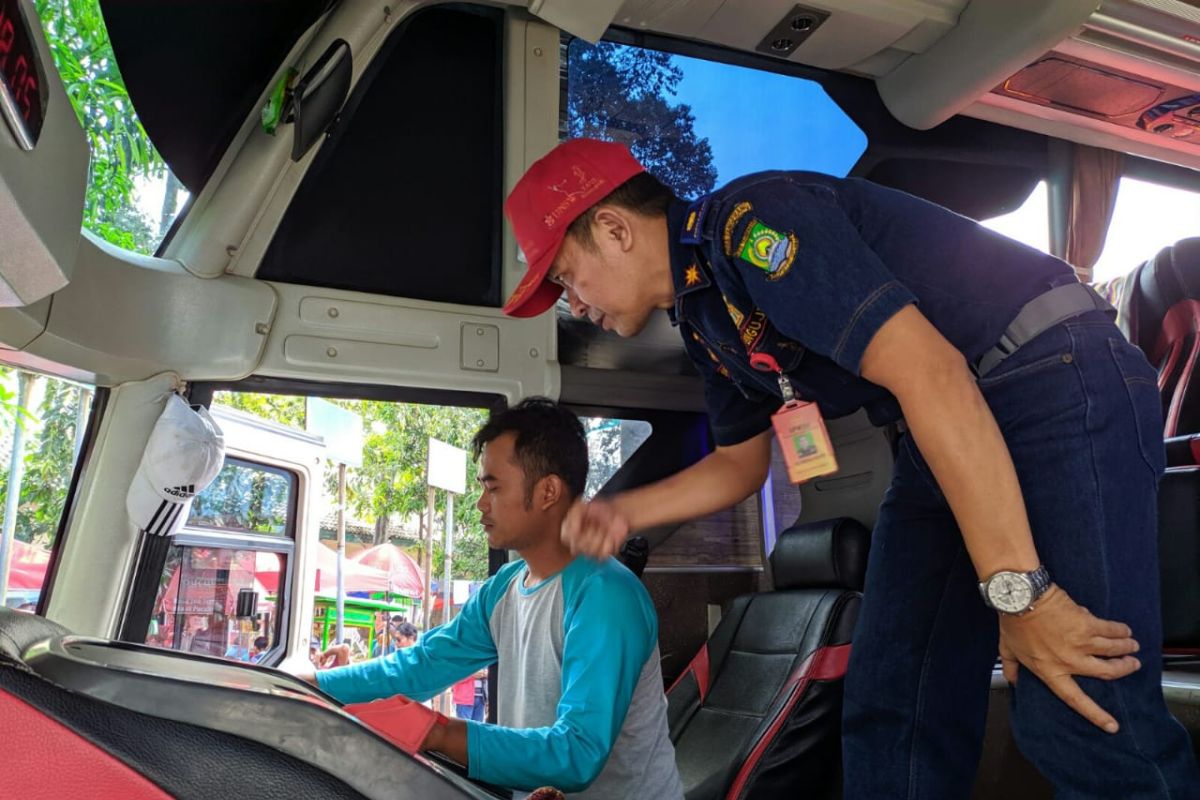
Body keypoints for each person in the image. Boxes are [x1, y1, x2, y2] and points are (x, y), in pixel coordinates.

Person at [500, 138, 1200, 798]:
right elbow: (741, 465)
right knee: (893, 698)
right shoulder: (704, 319)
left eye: (565, 276)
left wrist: (1021, 594)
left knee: (1075, 693)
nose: (574, 303)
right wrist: (621, 513)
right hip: (949, 422)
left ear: (616, 229)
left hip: (1050, 376)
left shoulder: (753, 225)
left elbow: (930, 372)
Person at [294, 399, 682, 798]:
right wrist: (309, 686)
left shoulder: (605, 595)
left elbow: (577, 753)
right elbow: (420, 667)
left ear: (548, 491)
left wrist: (438, 732)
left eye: (493, 488)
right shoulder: (505, 587)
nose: (481, 504)